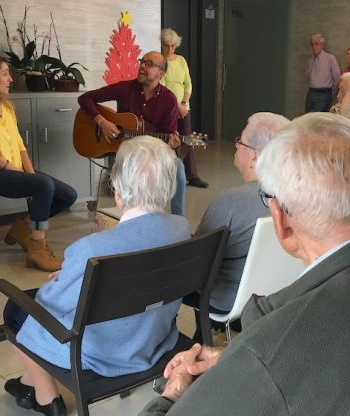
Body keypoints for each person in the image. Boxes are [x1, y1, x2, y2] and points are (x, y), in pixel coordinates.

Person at [138, 112, 350, 416]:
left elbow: (292, 363)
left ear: (282, 222)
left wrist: (173, 396)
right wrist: (234, 359)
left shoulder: (273, 356)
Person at [3, 137, 190, 416]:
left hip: (103, 351)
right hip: (156, 336)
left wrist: (66, 277)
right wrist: (75, 273)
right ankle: (29, 383)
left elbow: (49, 302)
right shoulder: (181, 228)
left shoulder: (92, 249)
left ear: (118, 193)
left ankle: (46, 398)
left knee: (16, 307)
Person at [0, 53, 76, 272]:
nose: (10, 79)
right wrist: (26, 177)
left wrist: (29, 173)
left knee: (67, 195)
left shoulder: (7, 108)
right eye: (5, 74)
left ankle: (24, 227)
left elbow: (20, 147)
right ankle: (37, 247)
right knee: (43, 185)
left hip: (11, 169)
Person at [194, 112, 289, 314]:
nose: (236, 145)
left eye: (241, 141)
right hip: (276, 297)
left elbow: (197, 263)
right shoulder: (296, 198)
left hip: (227, 301)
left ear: (255, 154)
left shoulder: (230, 202)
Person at [77, 50, 186, 215]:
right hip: (122, 150)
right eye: (142, 61)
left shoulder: (169, 99)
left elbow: (168, 134)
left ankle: (178, 219)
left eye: (149, 64)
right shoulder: (124, 88)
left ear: (160, 74)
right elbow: (85, 99)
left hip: (151, 152)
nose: (142, 66)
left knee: (178, 169)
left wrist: (172, 144)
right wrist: (103, 122)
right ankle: (128, 217)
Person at [160, 28, 209, 189]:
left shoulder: (181, 60)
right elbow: (163, 88)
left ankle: (192, 175)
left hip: (184, 108)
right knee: (169, 141)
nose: (170, 49)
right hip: (167, 109)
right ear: (162, 44)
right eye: (167, 45)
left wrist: (183, 103)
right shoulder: (159, 61)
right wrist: (176, 106)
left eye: (173, 46)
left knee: (187, 141)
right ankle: (168, 176)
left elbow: (188, 83)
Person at [305, 33, 341, 113]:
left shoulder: (330, 58)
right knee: (307, 116)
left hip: (324, 93)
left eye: (316, 44)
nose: (314, 47)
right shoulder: (310, 61)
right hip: (311, 91)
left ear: (322, 45)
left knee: (317, 117)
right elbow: (308, 76)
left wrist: (332, 93)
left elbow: (336, 77)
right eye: (312, 44)